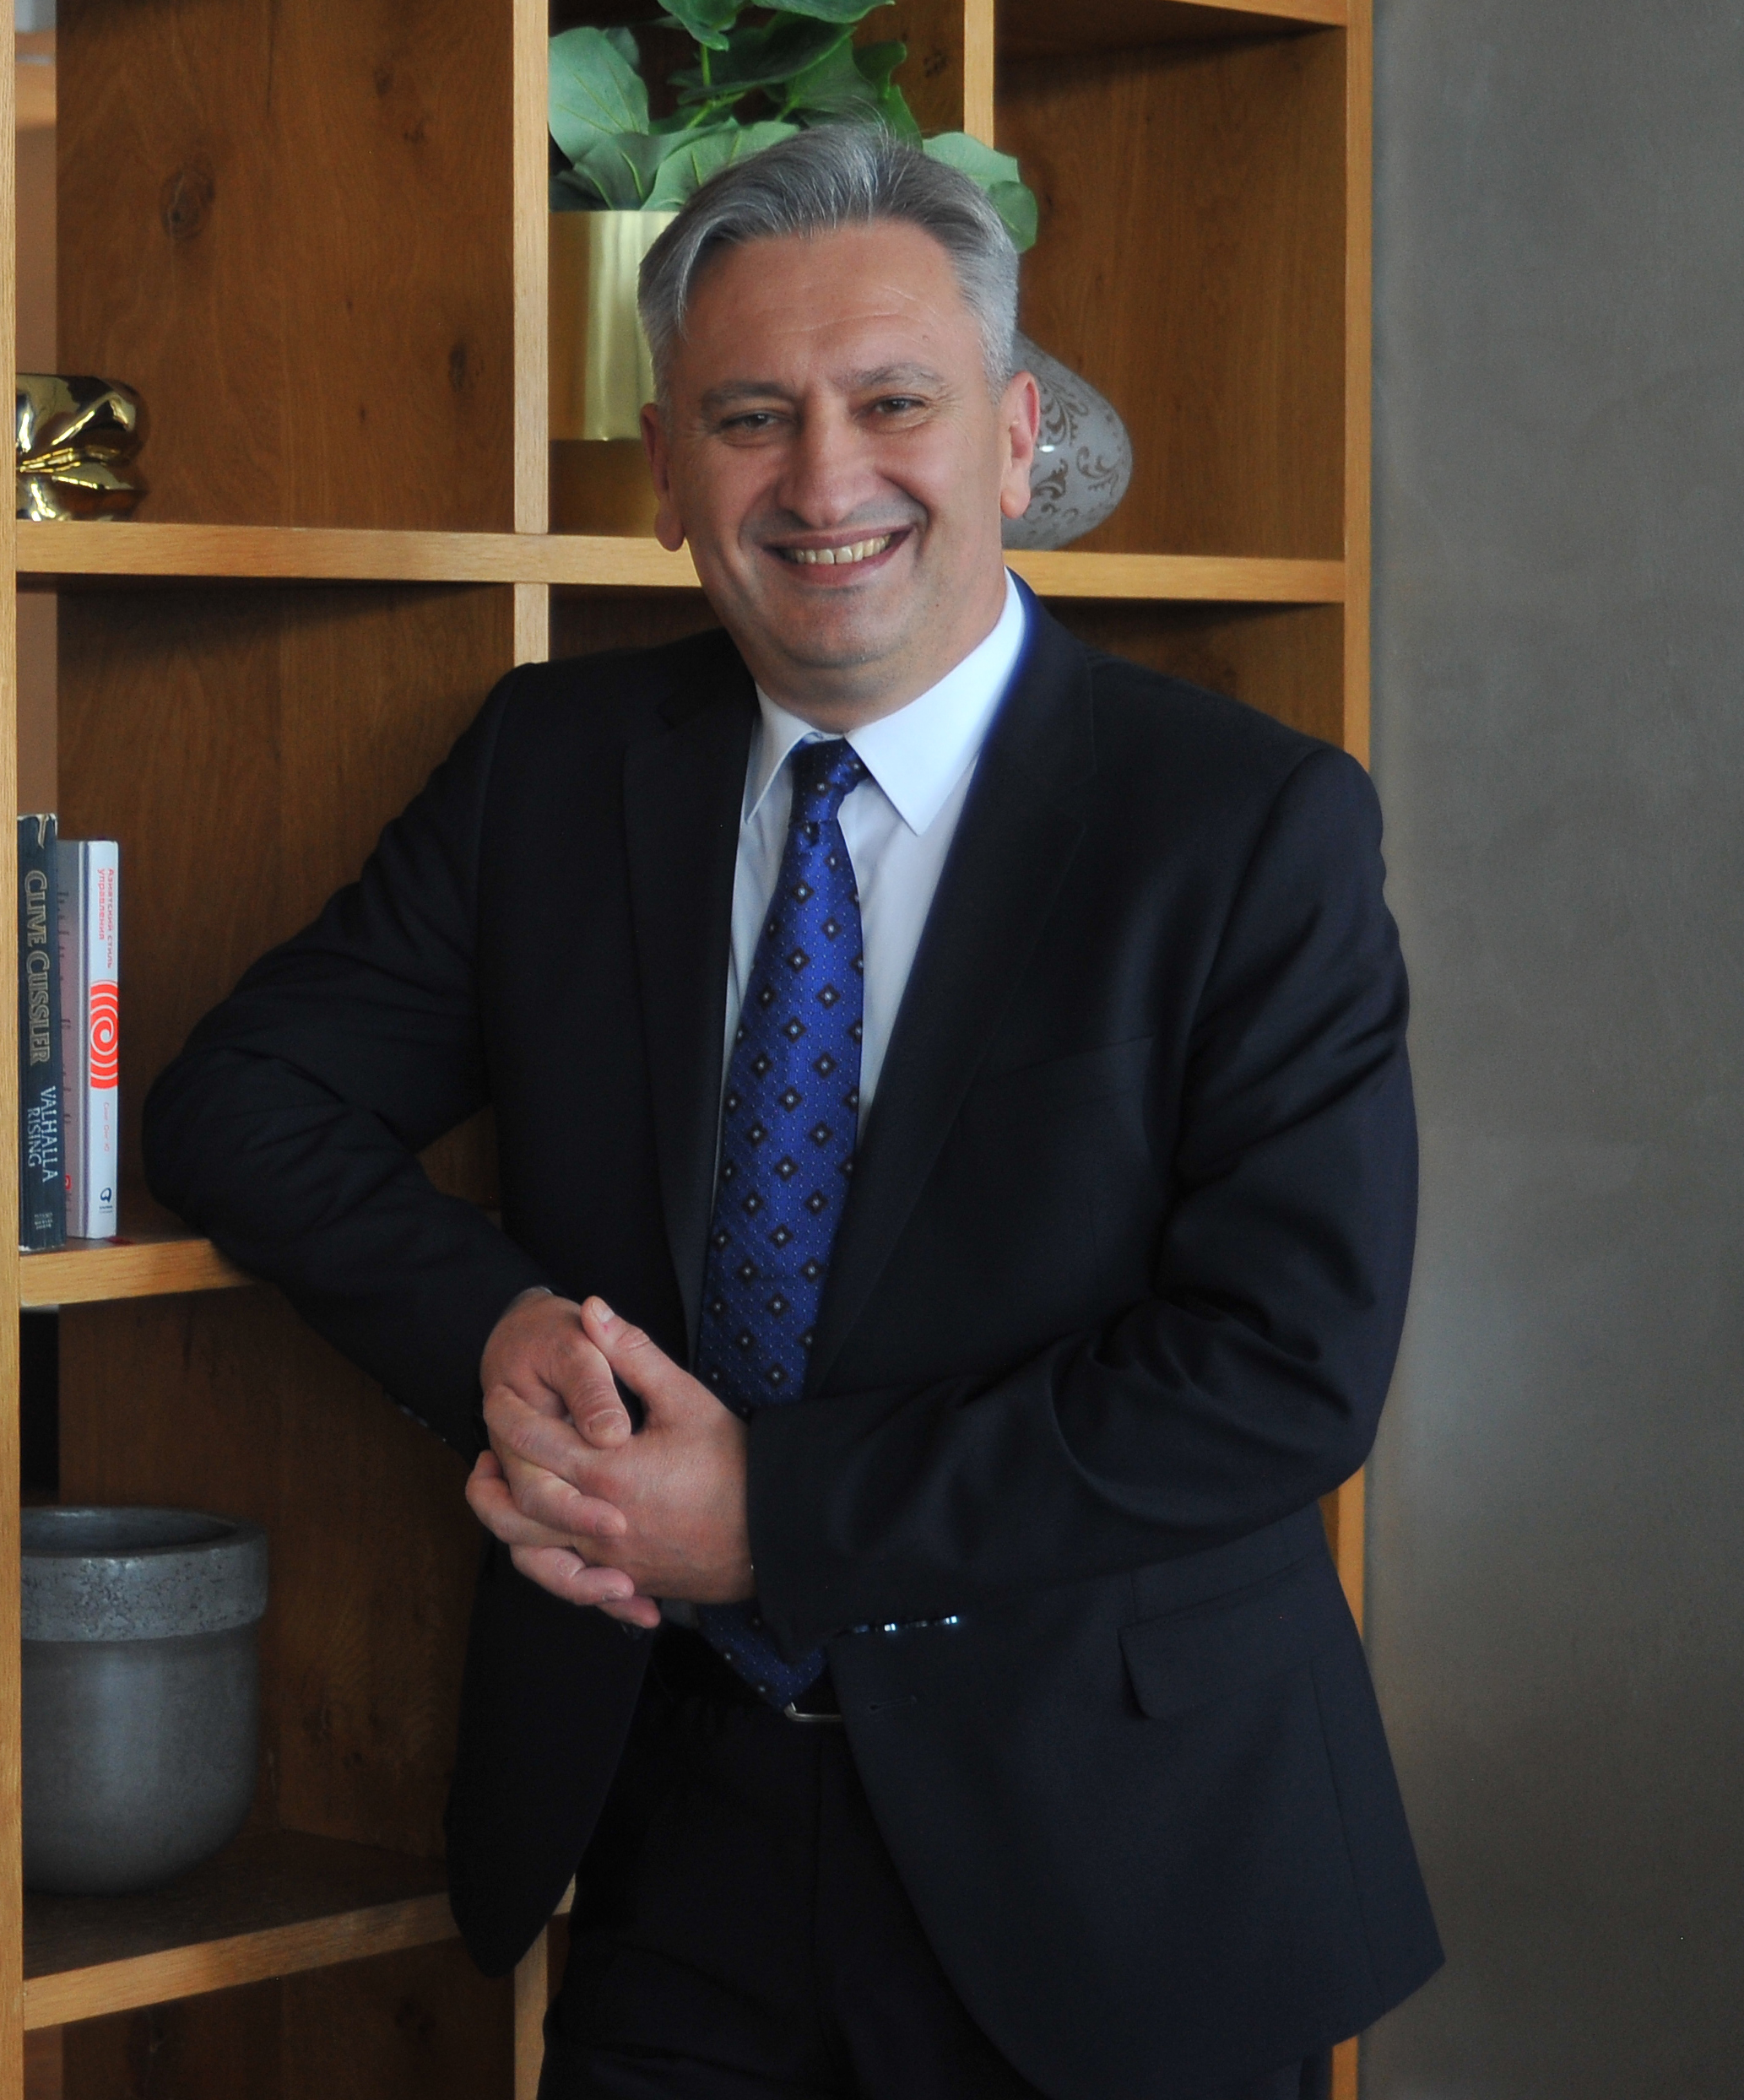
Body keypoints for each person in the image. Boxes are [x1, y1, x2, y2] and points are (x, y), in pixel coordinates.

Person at [143, 126, 1441, 2100]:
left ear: (1013, 440)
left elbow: (1282, 1372)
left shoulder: (1244, 826)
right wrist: (495, 1331)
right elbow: (247, 1098)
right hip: (676, 1831)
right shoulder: (552, 765)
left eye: (892, 404)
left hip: (1115, 1865)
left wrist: (774, 1516)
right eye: (751, 419)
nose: (825, 485)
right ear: (667, 473)